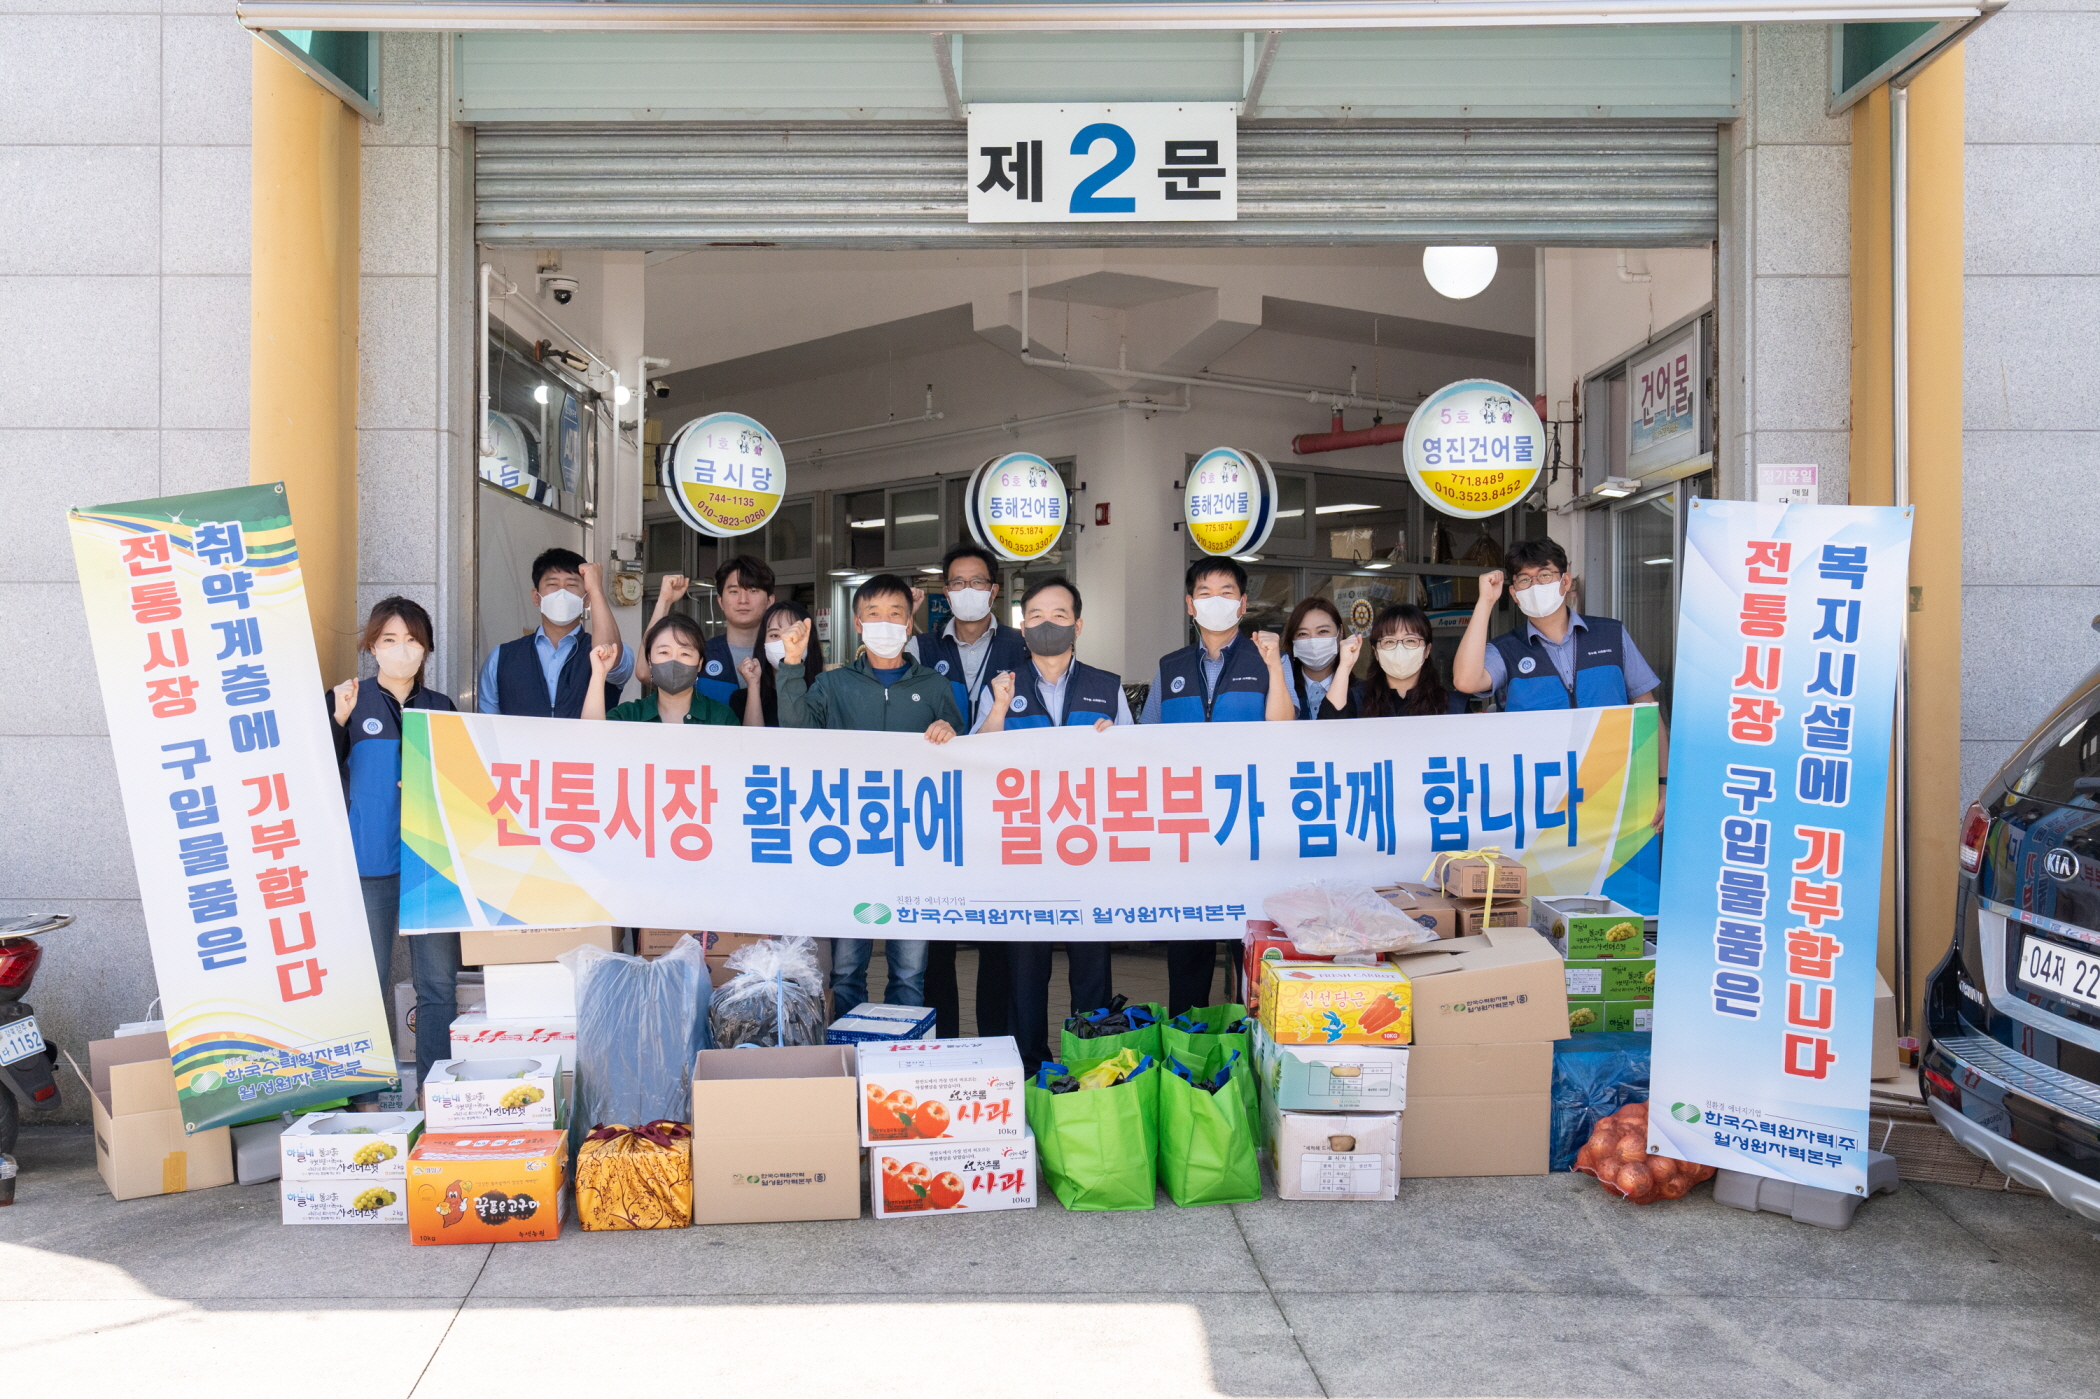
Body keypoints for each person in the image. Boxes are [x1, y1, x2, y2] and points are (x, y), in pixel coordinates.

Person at [777, 573, 964, 1012]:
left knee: (910, 972)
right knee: (846, 969)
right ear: (858, 624)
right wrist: (791, 664)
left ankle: (901, 1047)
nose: (885, 623)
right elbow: (797, 732)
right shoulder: (833, 685)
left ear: (910, 622)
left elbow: (960, 754)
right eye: (873, 614)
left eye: (895, 614)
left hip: (915, 847)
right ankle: (849, 1047)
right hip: (851, 846)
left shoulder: (934, 686)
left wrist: (949, 729)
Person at [971, 576, 1128, 1068]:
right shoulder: (1002, 685)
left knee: (1091, 967)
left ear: (1078, 625)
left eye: (1059, 615)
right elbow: (976, 762)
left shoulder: (1107, 687)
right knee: (1026, 969)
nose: (1047, 624)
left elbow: (1135, 767)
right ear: (1022, 627)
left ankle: (1094, 1065)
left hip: (1089, 850)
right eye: (1036, 616)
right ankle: (1030, 1067)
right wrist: (999, 708)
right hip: (1025, 851)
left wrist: (1115, 742)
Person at [1139, 558, 1294, 1014]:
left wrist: (1275, 666)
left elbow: (1287, 728)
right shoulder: (1170, 667)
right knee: (1189, 949)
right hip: (1188, 828)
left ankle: (1251, 1039)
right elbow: (1145, 741)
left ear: (1243, 604)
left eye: (1227, 593)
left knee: (1251, 945)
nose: (1215, 602)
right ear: (1190, 605)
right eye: (1205, 593)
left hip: (1250, 824)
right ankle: (1190, 1040)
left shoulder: (1268, 659)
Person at [329, 597, 460, 1103]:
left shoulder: (441, 707)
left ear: (426, 647)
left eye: (411, 640)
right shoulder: (348, 699)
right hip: (370, 859)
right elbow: (313, 773)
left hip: (431, 863)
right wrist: (337, 721)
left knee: (438, 984)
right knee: (369, 981)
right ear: (371, 646)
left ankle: (434, 1093)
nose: (401, 649)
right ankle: (363, 1095)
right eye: (389, 639)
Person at [1452, 539, 1669, 828]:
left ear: (1565, 581)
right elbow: (1465, 681)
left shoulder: (1610, 634)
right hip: (1540, 802)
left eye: (1545, 575)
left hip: (1616, 791)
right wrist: (1485, 602)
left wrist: (1663, 782)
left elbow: (1647, 710)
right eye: (1524, 580)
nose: (1535, 585)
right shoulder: (1506, 649)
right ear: (1514, 594)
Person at [476, 547, 630, 718]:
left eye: (572, 584)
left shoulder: (612, 651)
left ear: (586, 599)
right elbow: (487, 724)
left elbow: (608, 656)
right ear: (536, 597)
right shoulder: (501, 658)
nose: (562, 592)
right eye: (552, 584)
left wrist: (596, 591)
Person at [583, 613, 741, 726]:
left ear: (699, 664)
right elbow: (591, 741)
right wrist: (599, 673)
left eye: (685, 654)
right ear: (650, 660)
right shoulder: (628, 715)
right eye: (664, 652)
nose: (674, 661)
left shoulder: (722, 718)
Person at [1318, 603, 1470, 717]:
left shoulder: (1453, 705)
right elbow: (1328, 727)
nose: (1400, 648)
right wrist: (1345, 665)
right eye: (1389, 641)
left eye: (1410, 640)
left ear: (1427, 650)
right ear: (1376, 652)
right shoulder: (1358, 699)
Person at [675, 555, 775, 711]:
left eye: (753, 590)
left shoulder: (782, 656)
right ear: (720, 601)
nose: (743, 600)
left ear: (769, 601)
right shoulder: (702, 654)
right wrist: (665, 601)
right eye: (734, 591)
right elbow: (646, 674)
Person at [736, 600, 824, 728]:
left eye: (794, 634)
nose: (785, 641)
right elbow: (752, 738)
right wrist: (754, 686)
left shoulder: (824, 694)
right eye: (774, 635)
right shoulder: (742, 698)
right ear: (763, 643)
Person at [1279, 597, 1348, 720]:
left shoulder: (1361, 692)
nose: (1313, 641)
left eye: (1323, 631)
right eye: (1303, 634)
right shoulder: (1281, 690)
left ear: (1340, 633)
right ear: (1292, 640)